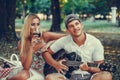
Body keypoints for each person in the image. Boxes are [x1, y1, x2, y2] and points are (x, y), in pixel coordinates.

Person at [42, 14, 112, 80]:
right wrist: (55, 64)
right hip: (68, 76)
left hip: (90, 77)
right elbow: (45, 53)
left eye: (77, 24)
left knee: (106, 76)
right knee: (50, 78)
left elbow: (99, 68)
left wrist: (89, 69)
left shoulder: (95, 42)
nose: (75, 27)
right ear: (67, 30)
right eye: (71, 26)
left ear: (81, 25)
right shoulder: (64, 41)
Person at [7, 13, 66, 80]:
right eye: (32, 25)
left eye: (38, 24)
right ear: (27, 26)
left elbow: (67, 37)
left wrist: (51, 42)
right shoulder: (22, 43)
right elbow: (26, 67)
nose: (36, 27)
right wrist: (31, 48)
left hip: (43, 72)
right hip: (28, 71)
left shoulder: (44, 36)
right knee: (23, 75)